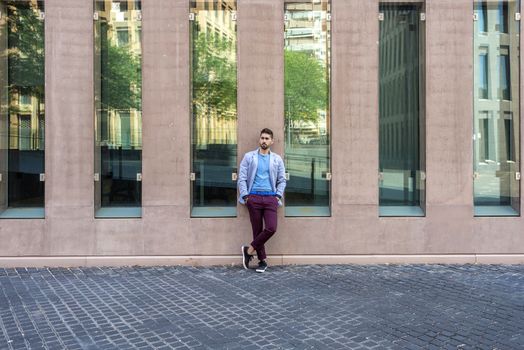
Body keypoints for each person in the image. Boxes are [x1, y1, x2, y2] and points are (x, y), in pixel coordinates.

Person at [238, 128, 286, 273]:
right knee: (257, 230)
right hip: (254, 197)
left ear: (271, 141)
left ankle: (249, 249)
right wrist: (246, 196)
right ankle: (262, 261)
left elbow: (282, 180)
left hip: (271, 198)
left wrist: (277, 196)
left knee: (271, 228)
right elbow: (242, 178)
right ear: (259, 140)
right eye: (262, 138)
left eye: (267, 138)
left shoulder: (277, 159)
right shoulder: (249, 157)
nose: (264, 140)